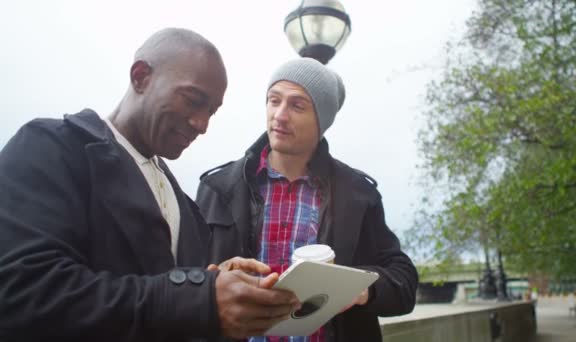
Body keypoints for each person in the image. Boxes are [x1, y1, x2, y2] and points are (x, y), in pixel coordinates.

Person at [0, 28, 299, 342]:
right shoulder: (52, 147)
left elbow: (167, 294)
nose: (202, 124)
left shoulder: (184, 203)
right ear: (140, 76)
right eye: (193, 101)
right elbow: (21, 291)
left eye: (211, 111)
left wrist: (214, 280)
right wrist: (200, 298)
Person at [196, 58, 419, 342]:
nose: (279, 115)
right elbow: (184, 279)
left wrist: (358, 287)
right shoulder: (218, 187)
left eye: (297, 105)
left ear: (322, 122)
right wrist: (214, 280)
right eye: (273, 101)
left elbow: (404, 283)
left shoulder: (358, 194)